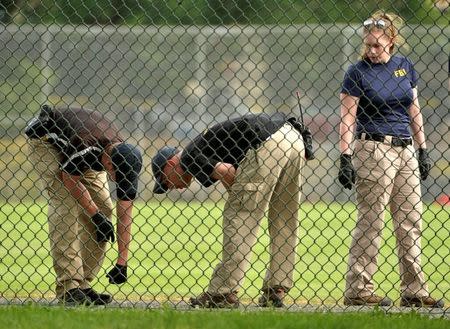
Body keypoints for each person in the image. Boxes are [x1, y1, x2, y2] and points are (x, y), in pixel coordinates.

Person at [338, 11, 443, 308]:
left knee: (410, 221)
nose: (371, 51)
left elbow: (414, 109)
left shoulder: (404, 66)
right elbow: (347, 116)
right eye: (367, 45)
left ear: (392, 41)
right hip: (373, 148)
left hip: (405, 149)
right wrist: (345, 156)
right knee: (372, 220)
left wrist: (423, 149)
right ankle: (358, 288)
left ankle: (414, 290)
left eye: (377, 46)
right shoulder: (357, 72)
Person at [152, 113, 312, 308]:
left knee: (240, 218)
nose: (170, 187)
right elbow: (233, 174)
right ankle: (277, 288)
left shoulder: (188, 157)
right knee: (284, 217)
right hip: (292, 138)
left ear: (170, 165)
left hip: (266, 143)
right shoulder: (201, 146)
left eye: (165, 180)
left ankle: (223, 292)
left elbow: (228, 171)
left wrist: (241, 200)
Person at [25, 104, 142, 305]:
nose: (115, 179)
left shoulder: (125, 160)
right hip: (46, 141)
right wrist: (94, 215)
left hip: (80, 150)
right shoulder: (86, 146)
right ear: (108, 162)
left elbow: (125, 214)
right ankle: (69, 285)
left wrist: (122, 262)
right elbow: (69, 179)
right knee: (66, 204)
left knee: (104, 208)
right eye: (114, 174)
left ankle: (83, 284)